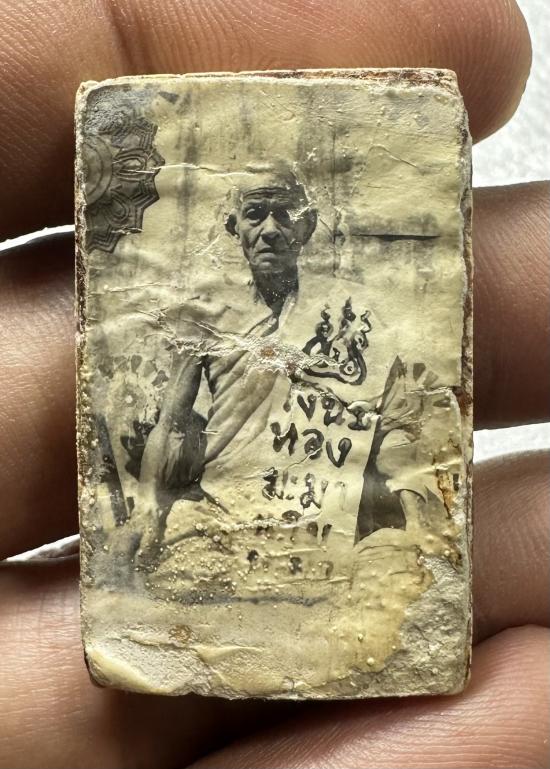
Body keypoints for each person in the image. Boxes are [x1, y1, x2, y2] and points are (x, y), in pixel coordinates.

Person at [1, 1, 549, 767]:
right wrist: (150, 517)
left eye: (281, 213)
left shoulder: (359, 320)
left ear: (306, 226)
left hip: (337, 559)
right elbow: (170, 443)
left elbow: (404, 438)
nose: (266, 228)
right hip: (210, 557)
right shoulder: (206, 328)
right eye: (251, 214)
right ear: (233, 230)